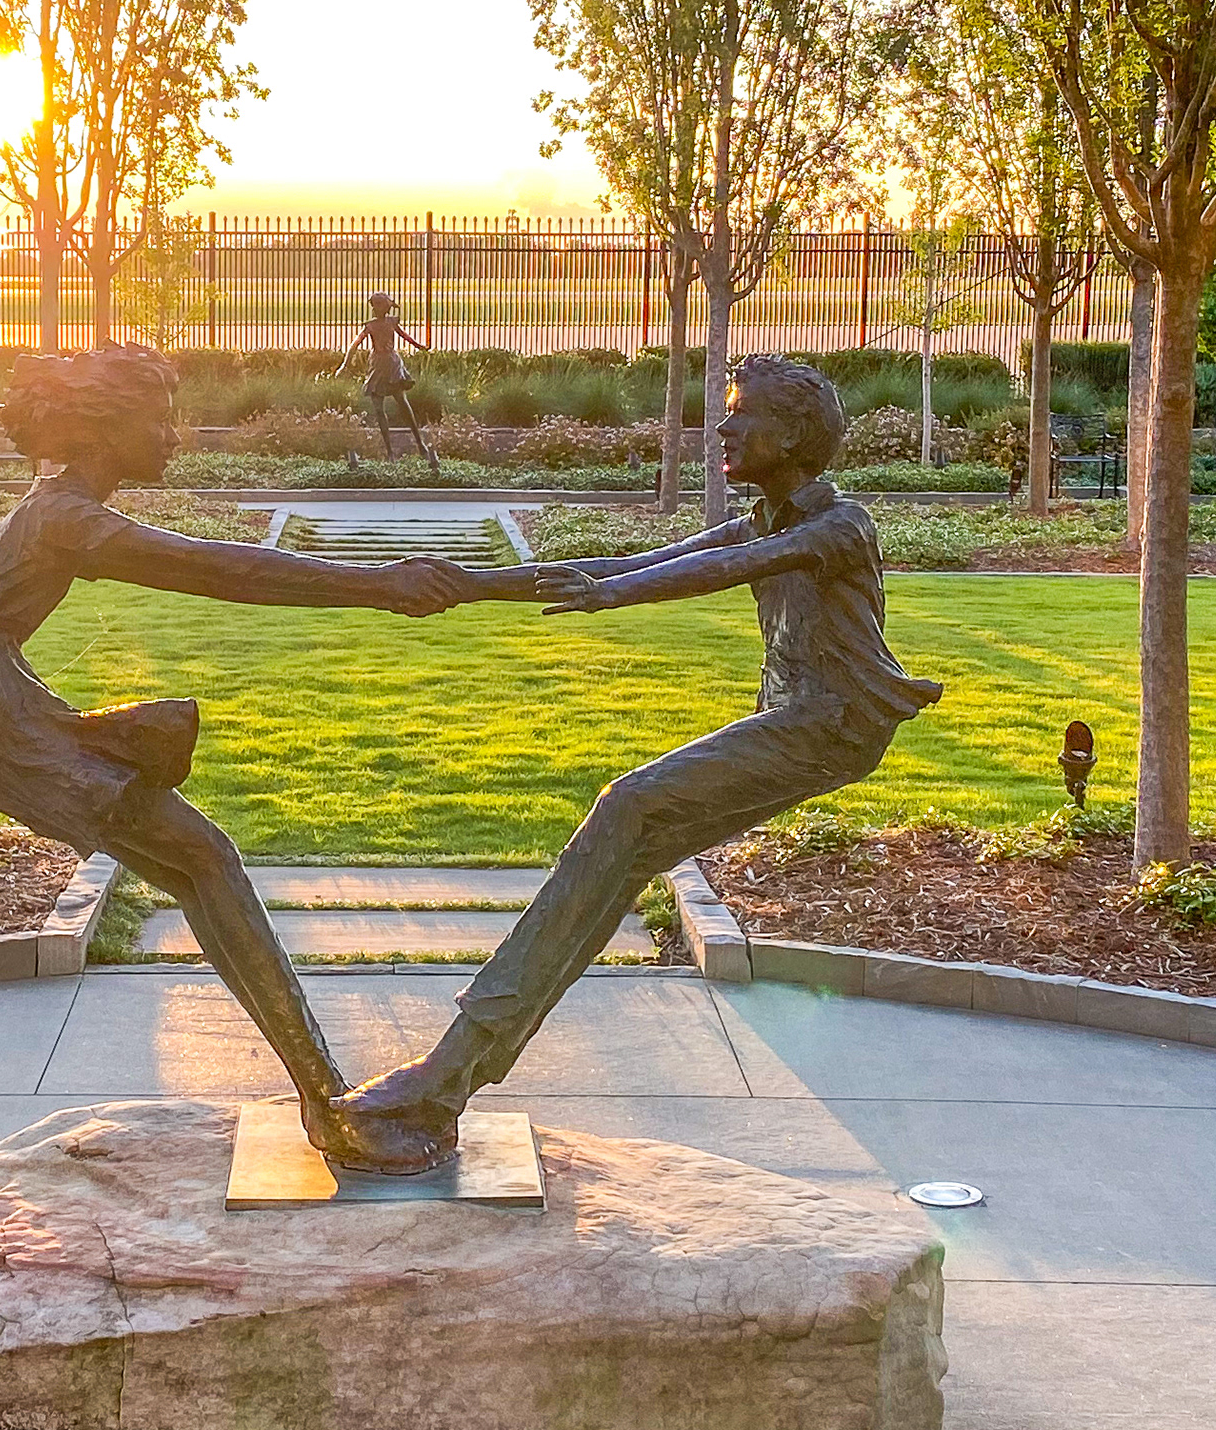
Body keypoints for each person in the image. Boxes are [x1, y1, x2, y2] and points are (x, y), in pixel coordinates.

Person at [332, 353, 943, 1173]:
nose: (722, 427)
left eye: (742, 414)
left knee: (626, 806)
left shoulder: (835, 527)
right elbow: (634, 564)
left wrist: (614, 599)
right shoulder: (770, 517)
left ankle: (446, 1073)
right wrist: (469, 584)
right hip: (798, 721)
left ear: (794, 434)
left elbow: (715, 571)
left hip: (831, 728)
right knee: (616, 853)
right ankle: (446, 1084)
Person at [0, 342, 468, 1161]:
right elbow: (217, 570)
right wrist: (377, 585)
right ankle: (327, 1106)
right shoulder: (64, 515)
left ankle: (324, 1098)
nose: (174, 435)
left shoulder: (59, 505)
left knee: (201, 864)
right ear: (106, 427)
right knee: (206, 860)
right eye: (158, 417)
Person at [333, 292, 436, 473]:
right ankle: (390, 453)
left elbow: (405, 336)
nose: (376, 309)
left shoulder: (391, 322)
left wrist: (419, 346)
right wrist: (344, 365)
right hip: (377, 367)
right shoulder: (370, 326)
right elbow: (354, 345)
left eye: (379, 306)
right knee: (379, 410)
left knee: (403, 403)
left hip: (392, 365)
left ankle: (421, 445)